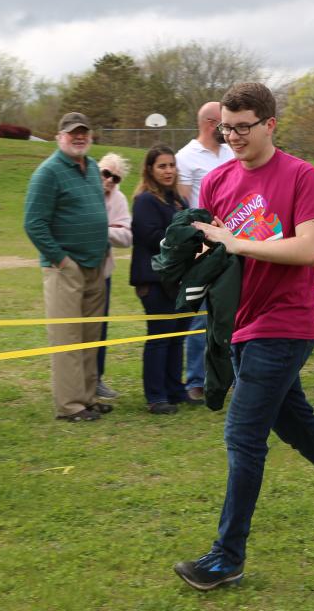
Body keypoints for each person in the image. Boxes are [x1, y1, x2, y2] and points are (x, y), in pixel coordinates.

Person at [174, 82, 314, 591]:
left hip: (288, 321)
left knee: (243, 434)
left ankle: (227, 556)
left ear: (270, 124)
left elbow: (310, 250)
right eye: (226, 127)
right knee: (295, 422)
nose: (233, 137)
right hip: (241, 324)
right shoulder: (218, 181)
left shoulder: (302, 176)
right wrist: (197, 255)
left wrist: (237, 242)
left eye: (243, 127)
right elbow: (219, 251)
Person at [24, 112, 110, 422]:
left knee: (90, 336)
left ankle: (87, 397)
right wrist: (61, 259)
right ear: (60, 136)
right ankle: (70, 405)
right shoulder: (48, 173)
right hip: (65, 268)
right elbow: (33, 223)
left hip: (94, 265)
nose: (79, 137)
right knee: (67, 337)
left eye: (84, 132)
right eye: (73, 133)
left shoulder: (90, 168)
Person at [175, 101, 234, 403]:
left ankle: (230, 374)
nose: (229, 129)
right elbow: (184, 206)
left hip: (234, 241)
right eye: (224, 123)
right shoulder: (185, 158)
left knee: (230, 311)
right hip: (204, 245)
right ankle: (196, 380)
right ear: (212, 123)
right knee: (202, 316)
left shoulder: (231, 153)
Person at [130, 145, 191, 414]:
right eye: (162, 166)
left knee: (177, 336)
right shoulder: (145, 200)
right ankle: (156, 397)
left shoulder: (176, 199)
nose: (168, 171)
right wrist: (185, 236)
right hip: (154, 280)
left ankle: (174, 390)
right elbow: (152, 237)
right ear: (150, 170)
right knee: (160, 337)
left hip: (180, 280)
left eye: (171, 165)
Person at [96, 153, 132, 399]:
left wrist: (100, 229)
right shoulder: (83, 190)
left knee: (99, 328)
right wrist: (111, 230)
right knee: (73, 329)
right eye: (106, 174)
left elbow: (127, 237)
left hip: (103, 271)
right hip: (73, 271)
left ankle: (95, 378)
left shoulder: (118, 198)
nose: (109, 180)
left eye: (115, 178)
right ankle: (74, 382)